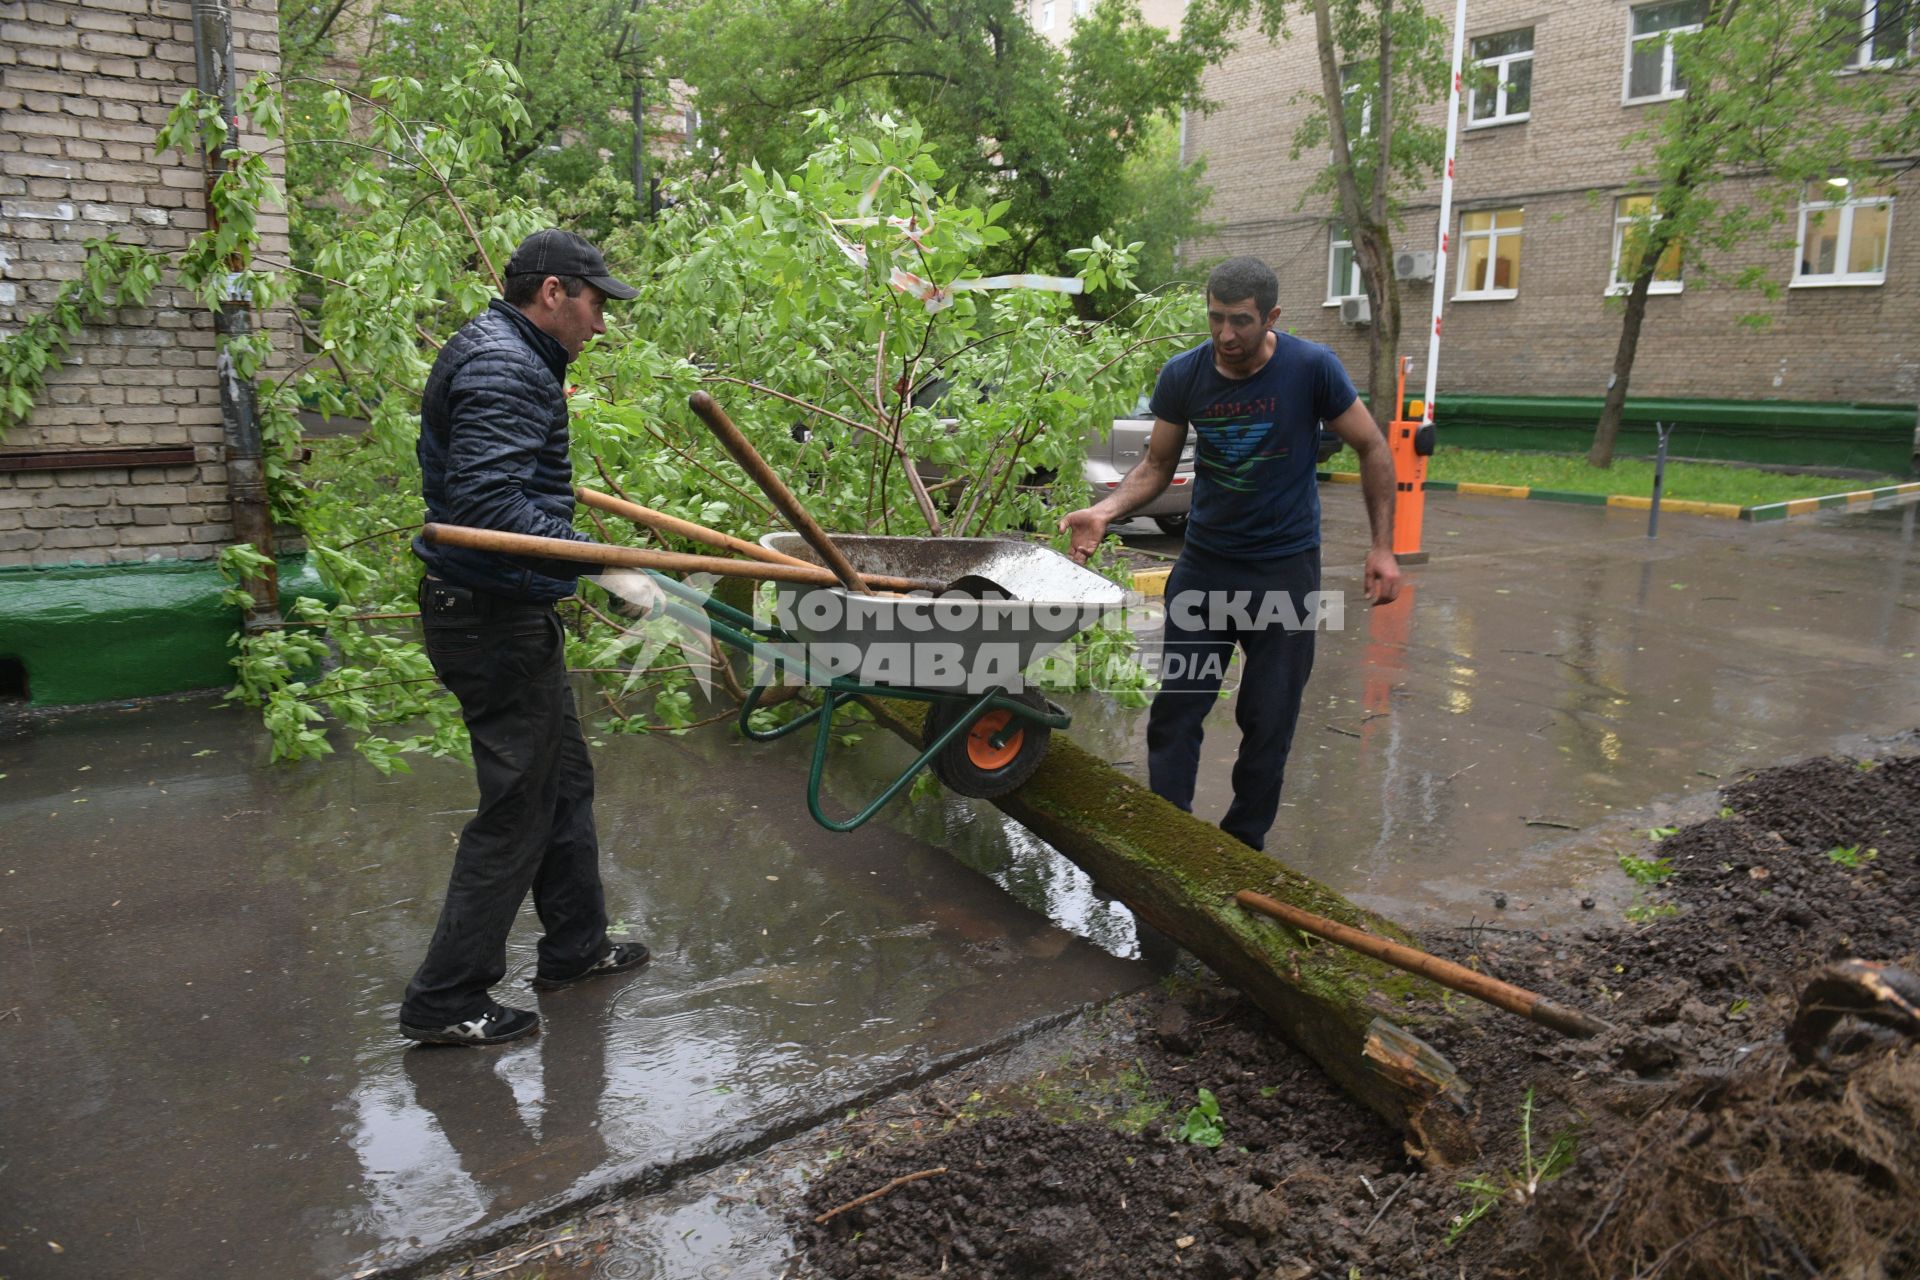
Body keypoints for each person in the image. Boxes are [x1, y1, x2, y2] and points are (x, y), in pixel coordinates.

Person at [400, 229, 652, 1047]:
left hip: (501, 611)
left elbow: (500, 481)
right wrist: (602, 564)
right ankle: (447, 999)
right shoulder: (506, 367)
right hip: (488, 616)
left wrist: (576, 537)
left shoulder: (507, 356)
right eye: (595, 304)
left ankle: (575, 949)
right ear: (552, 292)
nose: (601, 325)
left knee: (565, 783)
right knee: (519, 809)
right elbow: (483, 511)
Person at [1059, 256, 1402, 852]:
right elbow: (1158, 465)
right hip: (1206, 567)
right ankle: (1170, 843)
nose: (1225, 335)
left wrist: (1382, 547)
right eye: (1215, 317)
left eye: (1240, 321)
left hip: (1285, 573)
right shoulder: (1184, 375)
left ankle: (1242, 849)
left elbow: (1373, 447)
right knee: (1176, 713)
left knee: (1268, 723)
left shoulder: (1312, 369)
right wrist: (1107, 511)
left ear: (1271, 317)